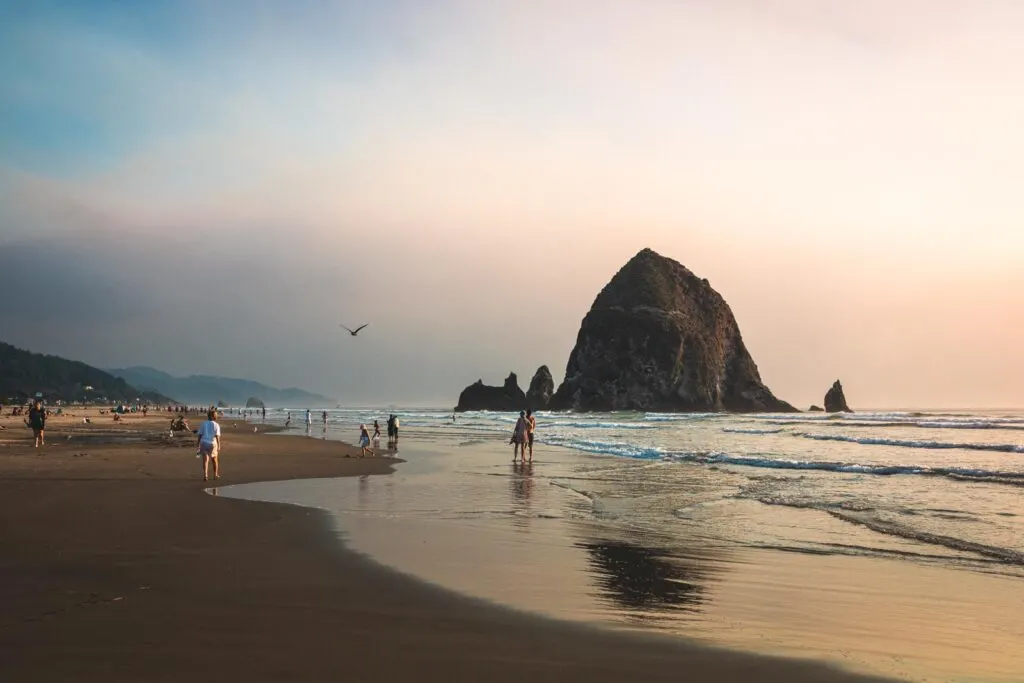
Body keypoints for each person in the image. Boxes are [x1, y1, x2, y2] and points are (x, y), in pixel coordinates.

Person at [196, 409, 222, 481]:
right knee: (214, 459)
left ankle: (205, 475)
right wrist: (219, 445)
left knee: (205, 460)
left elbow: (200, 434)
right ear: (213, 416)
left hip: (204, 442)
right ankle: (215, 475)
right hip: (212, 443)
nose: (216, 416)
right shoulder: (216, 425)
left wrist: (198, 443)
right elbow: (217, 436)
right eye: (215, 415)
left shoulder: (203, 423)